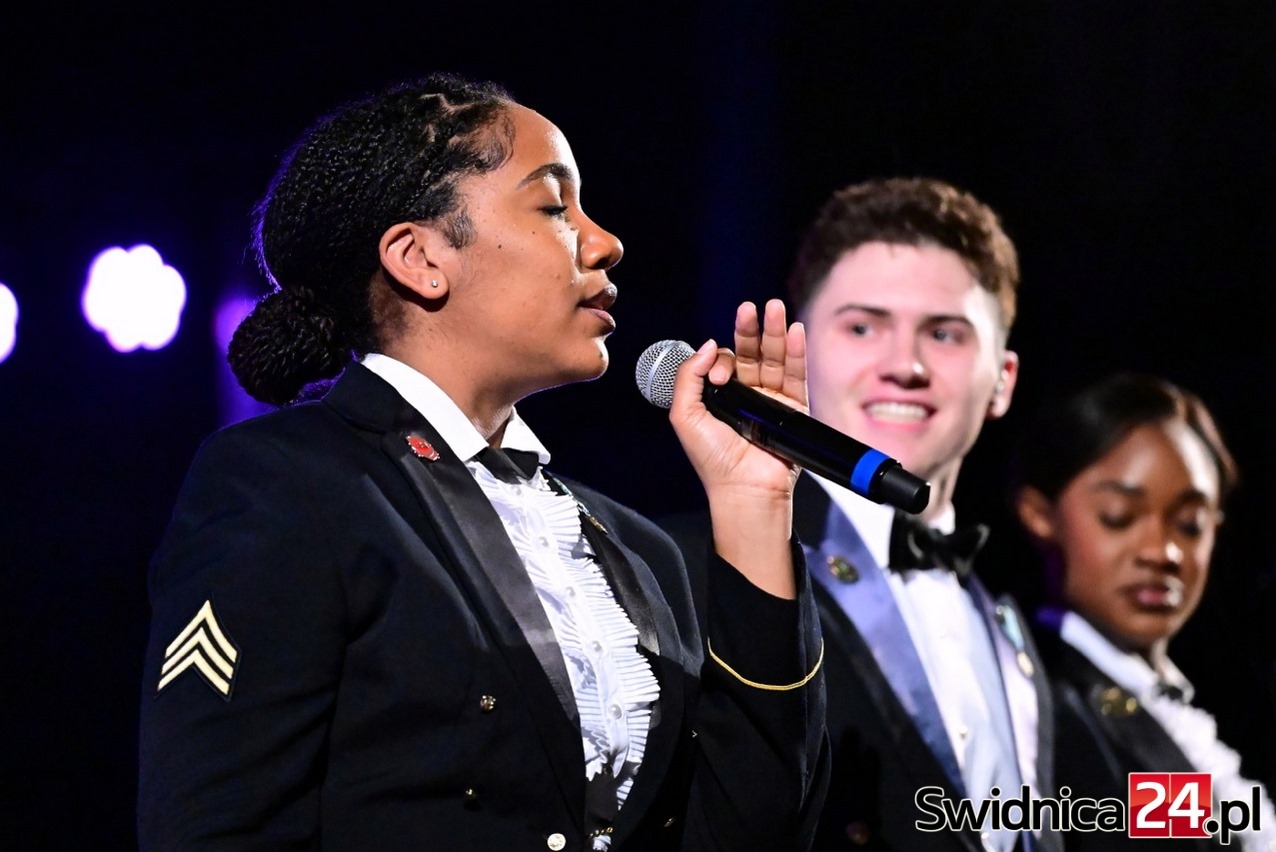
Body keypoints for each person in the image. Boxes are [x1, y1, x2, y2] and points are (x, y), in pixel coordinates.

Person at [137, 73, 827, 851]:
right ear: (420, 257)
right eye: (554, 207)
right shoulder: (288, 482)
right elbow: (216, 826)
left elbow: (750, 831)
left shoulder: (638, 553)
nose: (605, 242)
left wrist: (754, 503)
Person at [783, 177, 1055, 851]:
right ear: (800, 351)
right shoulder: (706, 570)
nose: (904, 364)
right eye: (862, 327)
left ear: (1003, 381)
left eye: (944, 333)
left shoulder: (1010, 625)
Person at [1012, 373, 1275, 851]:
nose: (1162, 552)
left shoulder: (1176, 703)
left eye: (1190, 524)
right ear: (1040, 514)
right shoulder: (1038, 699)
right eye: (1119, 517)